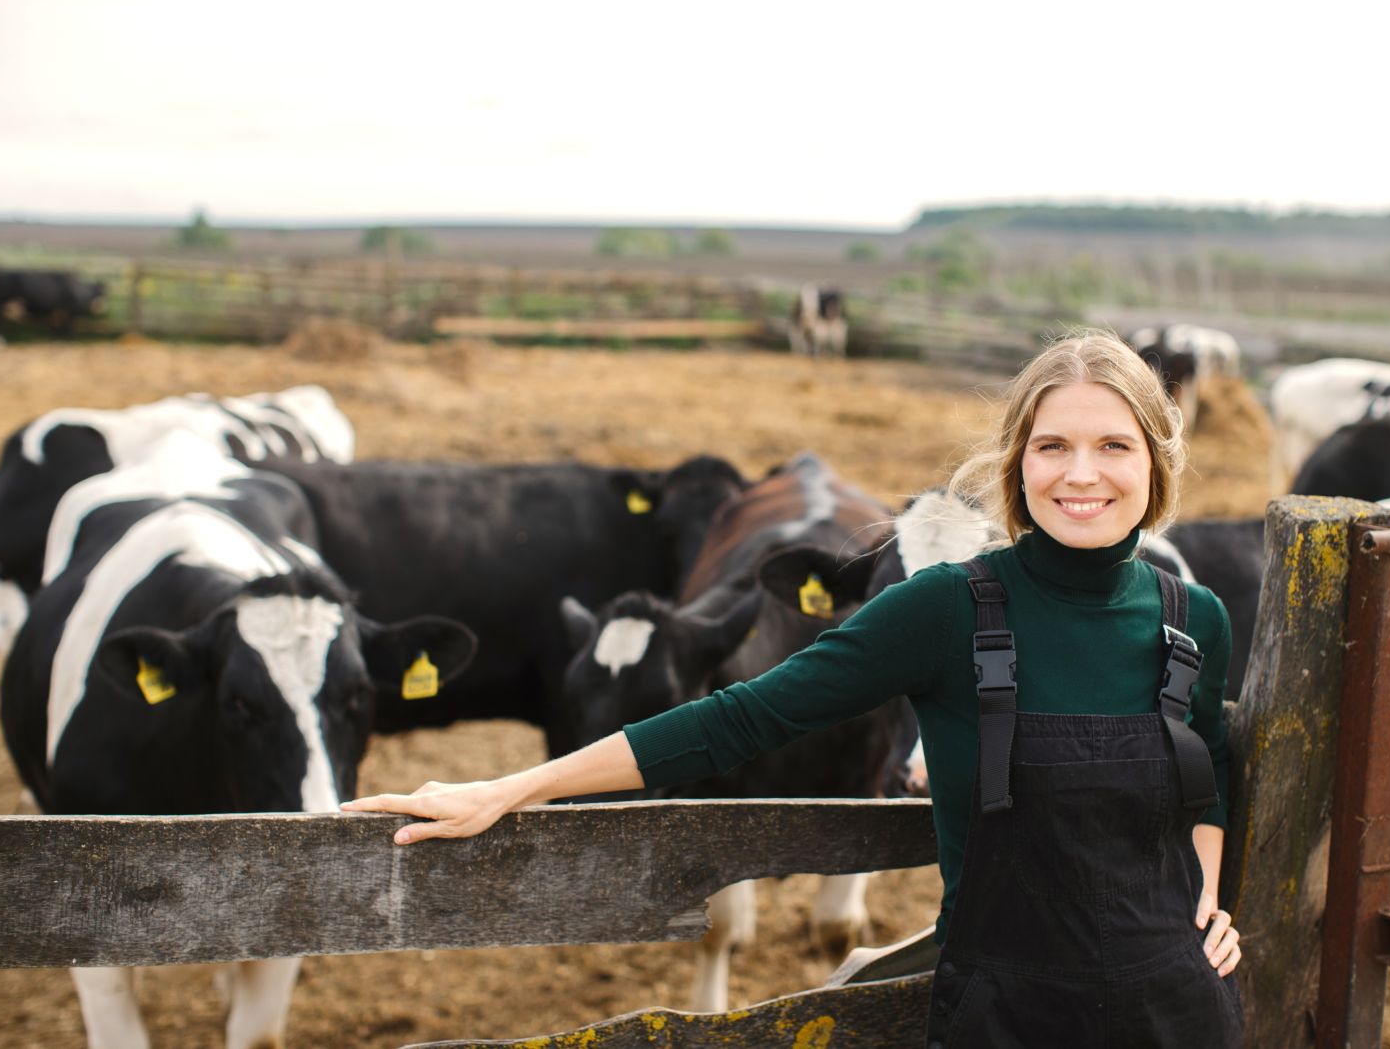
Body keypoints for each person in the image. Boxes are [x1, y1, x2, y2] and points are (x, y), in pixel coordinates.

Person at [343, 328, 1244, 1047]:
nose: (1081, 473)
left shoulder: (1191, 615)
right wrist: (513, 785)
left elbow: (1207, 778)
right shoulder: (947, 608)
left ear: (1156, 464)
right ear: (1017, 465)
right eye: (1054, 445)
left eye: (1113, 445)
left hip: (1178, 1012)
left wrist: (1201, 904)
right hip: (1008, 1017)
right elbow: (745, 714)